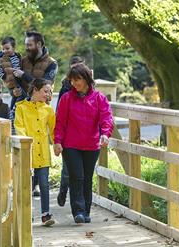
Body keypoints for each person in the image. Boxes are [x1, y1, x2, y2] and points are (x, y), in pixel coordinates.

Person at [54, 64, 114, 224]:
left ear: (86, 79)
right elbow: (60, 122)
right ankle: (78, 212)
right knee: (77, 177)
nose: (74, 83)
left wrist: (105, 134)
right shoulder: (66, 98)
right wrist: (57, 141)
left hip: (92, 144)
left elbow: (106, 118)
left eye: (77, 79)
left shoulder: (99, 98)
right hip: (71, 145)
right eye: (72, 80)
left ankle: (86, 211)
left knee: (87, 178)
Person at [13, 31, 58, 196]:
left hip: (41, 108)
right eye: (25, 45)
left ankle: (37, 183)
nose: (26, 48)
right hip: (22, 106)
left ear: (39, 45)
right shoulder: (22, 61)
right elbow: (12, 78)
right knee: (21, 142)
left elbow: (45, 83)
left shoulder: (52, 64)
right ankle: (23, 185)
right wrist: (14, 89)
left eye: (29, 45)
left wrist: (24, 75)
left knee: (39, 142)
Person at [14, 78, 56, 226]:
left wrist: (57, 144)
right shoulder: (20, 107)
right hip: (27, 151)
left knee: (44, 184)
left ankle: (46, 215)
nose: (48, 94)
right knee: (28, 184)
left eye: (50, 91)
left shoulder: (48, 109)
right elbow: (19, 126)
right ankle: (27, 214)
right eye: (46, 91)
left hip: (43, 152)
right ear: (35, 90)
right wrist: (25, 142)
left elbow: (53, 130)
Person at [56, 55, 85, 207]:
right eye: (74, 68)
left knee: (82, 172)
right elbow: (59, 113)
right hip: (69, 135)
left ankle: (80, 204)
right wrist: (58, 138)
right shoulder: (65, 88)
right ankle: (63, 190)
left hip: (86, 136)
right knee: (67, 170)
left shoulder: (89, 88)